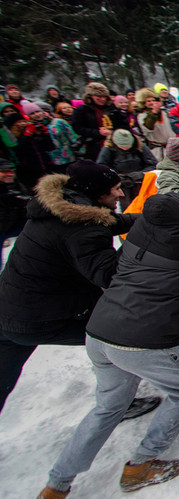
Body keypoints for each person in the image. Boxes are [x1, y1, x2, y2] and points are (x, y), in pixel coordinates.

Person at [18, 185, 179, 499]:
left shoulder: (143, 224)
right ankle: (142, 464)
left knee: (107, 407)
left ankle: (55, 487)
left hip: (100, 332)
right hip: (147, 338)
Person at [0, 161, 158, 416]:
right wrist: (146, 241)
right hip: (43, 317)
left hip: (10, 306)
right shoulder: (84, 228)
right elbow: (111, 275)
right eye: (116, 189)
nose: (120, 194)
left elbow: (109, 222)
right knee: (115, 339)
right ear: (97, 194)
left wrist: (155, 218)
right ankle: (118, 404)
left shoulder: (62, 207)